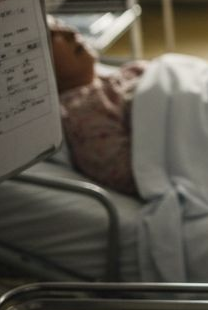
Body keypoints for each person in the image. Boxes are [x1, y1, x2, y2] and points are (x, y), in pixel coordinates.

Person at [48, 17, 146, 195]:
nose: (70, 32)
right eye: (51, 36)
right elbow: (141, 175)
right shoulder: (83, 114)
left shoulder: (120, 75)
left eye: (60, 23)